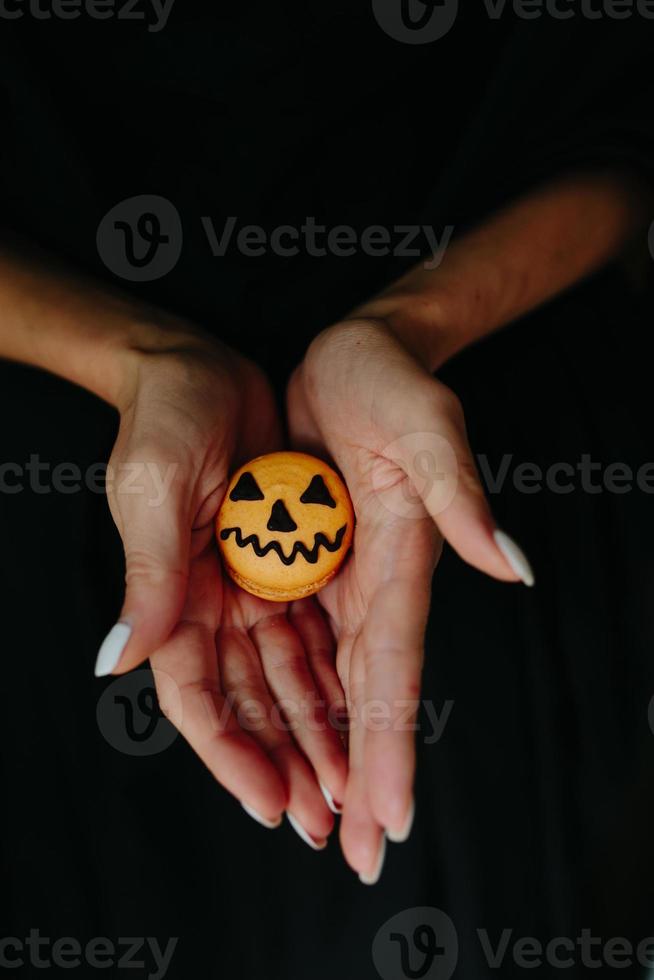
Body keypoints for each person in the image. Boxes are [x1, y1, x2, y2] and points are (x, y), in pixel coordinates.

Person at [1, 9, 653, 978]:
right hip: (62, 506)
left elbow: (627, 127)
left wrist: (412, 324)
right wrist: (133, 359)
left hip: (471, 441)